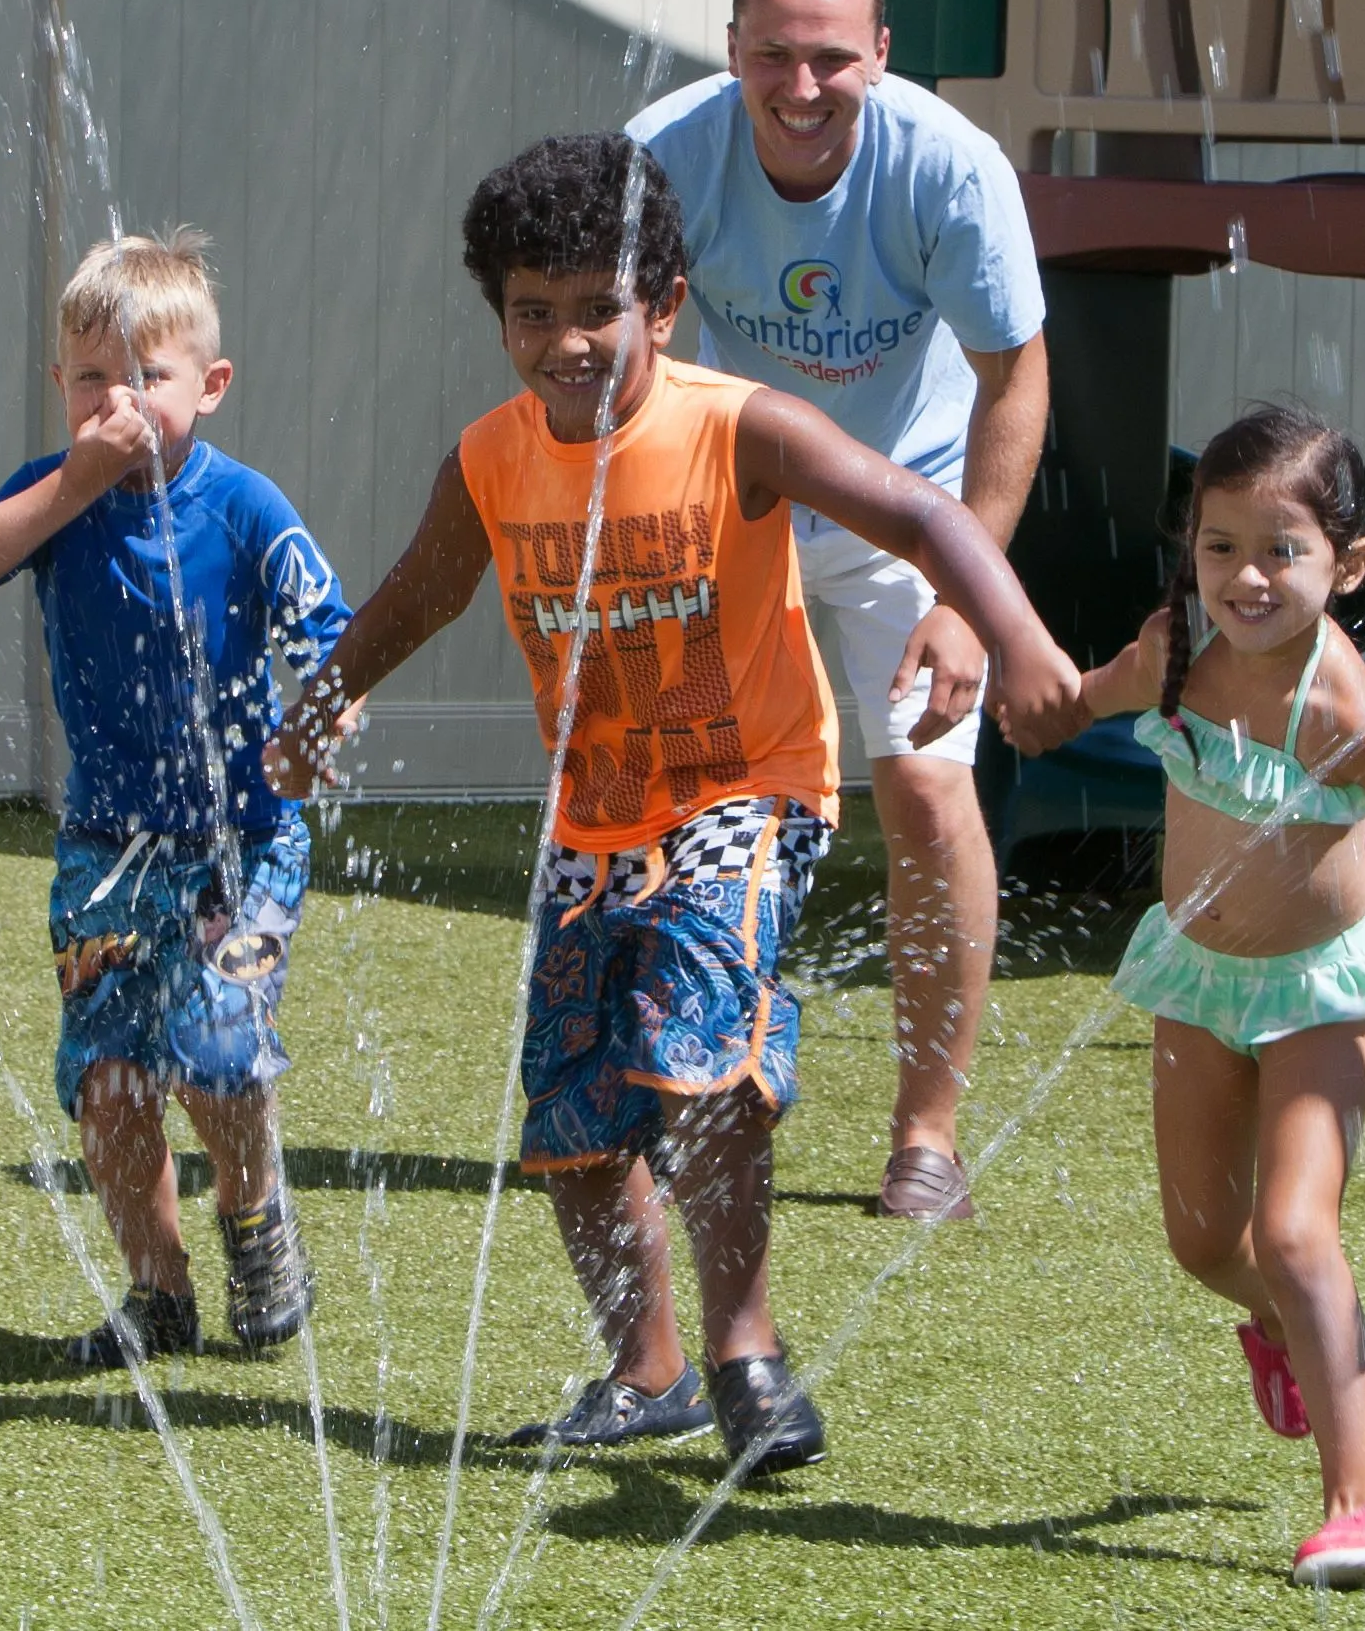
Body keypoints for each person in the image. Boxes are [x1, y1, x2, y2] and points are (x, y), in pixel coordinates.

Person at [263, 135, 1078, 1470]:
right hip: (592, 817)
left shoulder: (736, 424)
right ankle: (646, 1372)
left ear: (663, 303)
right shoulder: (489, 457)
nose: (567, 339)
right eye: (535, 310)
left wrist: (1005, 630)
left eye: (598, 308)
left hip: (746, 790)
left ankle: (743, 1351)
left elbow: (925, 513)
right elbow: (423, 585)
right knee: (574, 1117)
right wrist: (325, 696)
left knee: (698, 1047)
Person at [1022, 405, 1365, 1587]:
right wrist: (1026, 706)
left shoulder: (1343, 710)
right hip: (1193, 983)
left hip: (1317, 994)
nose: (1247, 576)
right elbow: (1087, 698)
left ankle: (1353, 1504)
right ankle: (1284, 1332)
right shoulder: (1174, 650)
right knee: (1204, 1239)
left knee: (1296, 1231)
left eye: (1281, 549)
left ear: (1347, 563)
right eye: (1221, 546)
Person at [629, 0, 1051, 1223]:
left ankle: (925, 1134)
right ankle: (667, 1085)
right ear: (734, 49)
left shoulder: (951, 170)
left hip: (907, 510)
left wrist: (961, 593)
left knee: (926, 799)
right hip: (725, 500)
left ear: (877, 50)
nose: (799, 88)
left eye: (828, 58)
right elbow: (607, 350)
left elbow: (1013, 377)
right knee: (668, 802)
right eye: (772, 56)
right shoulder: (661, 156)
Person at [0, 230, 349, 1368]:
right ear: (61, 386)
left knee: (217, 1046)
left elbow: (327, 629)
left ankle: (254, 1218)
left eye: (146, 377)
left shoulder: (244, 505)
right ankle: (158, 1288)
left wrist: (331, 707)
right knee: (108, 1082)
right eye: (94, 377)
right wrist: (73, 482)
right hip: (106, 847)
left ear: (207, 387)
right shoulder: (57, 498)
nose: (119, 401)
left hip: (242, 841)